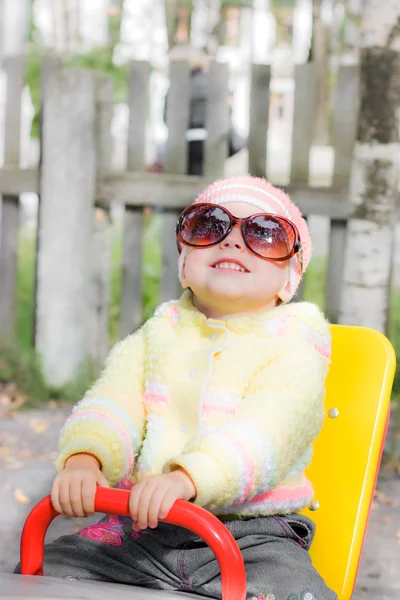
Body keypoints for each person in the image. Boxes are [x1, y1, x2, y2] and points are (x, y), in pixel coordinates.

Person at [15, 176, 337, 600]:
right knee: (41, 573)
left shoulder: (295, 350)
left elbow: (267, 434)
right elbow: (114, 400)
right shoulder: (156, 337)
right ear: (184, 262)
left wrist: (188, 478)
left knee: (295, 593)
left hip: (252, 535)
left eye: (265, 234)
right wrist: (85, 457)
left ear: (287, 280)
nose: (233, 241)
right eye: (209, 225)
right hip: (141, 526)